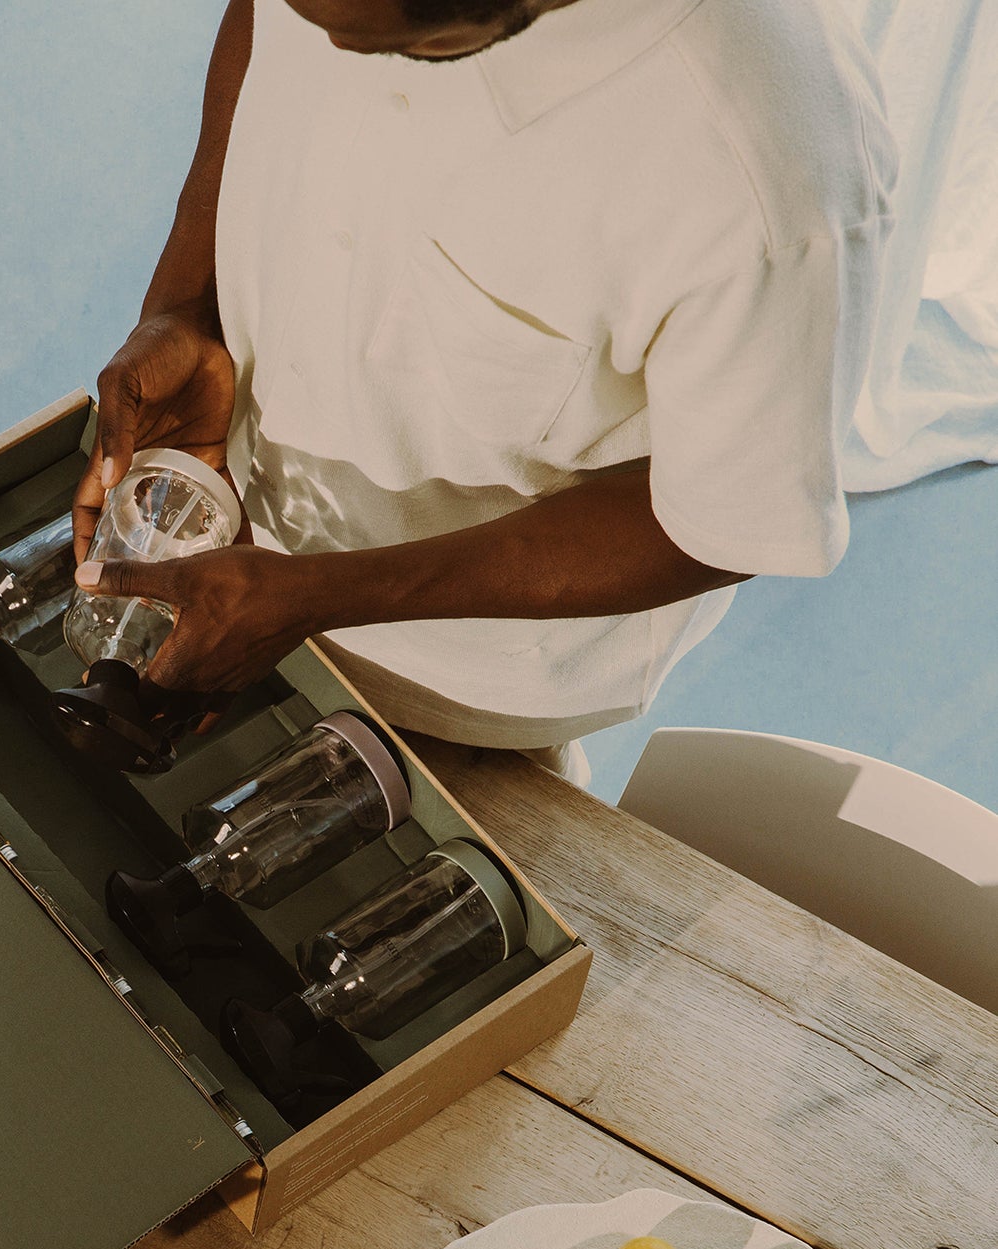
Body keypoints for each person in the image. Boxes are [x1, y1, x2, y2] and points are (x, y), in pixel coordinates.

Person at [71, 0, 894, 778]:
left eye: (369, 42)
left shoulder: (769, 185)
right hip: (233, 537)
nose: (318, 42)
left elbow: (714, 528)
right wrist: (188, 302)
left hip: (458, 674)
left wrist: (318, 597)